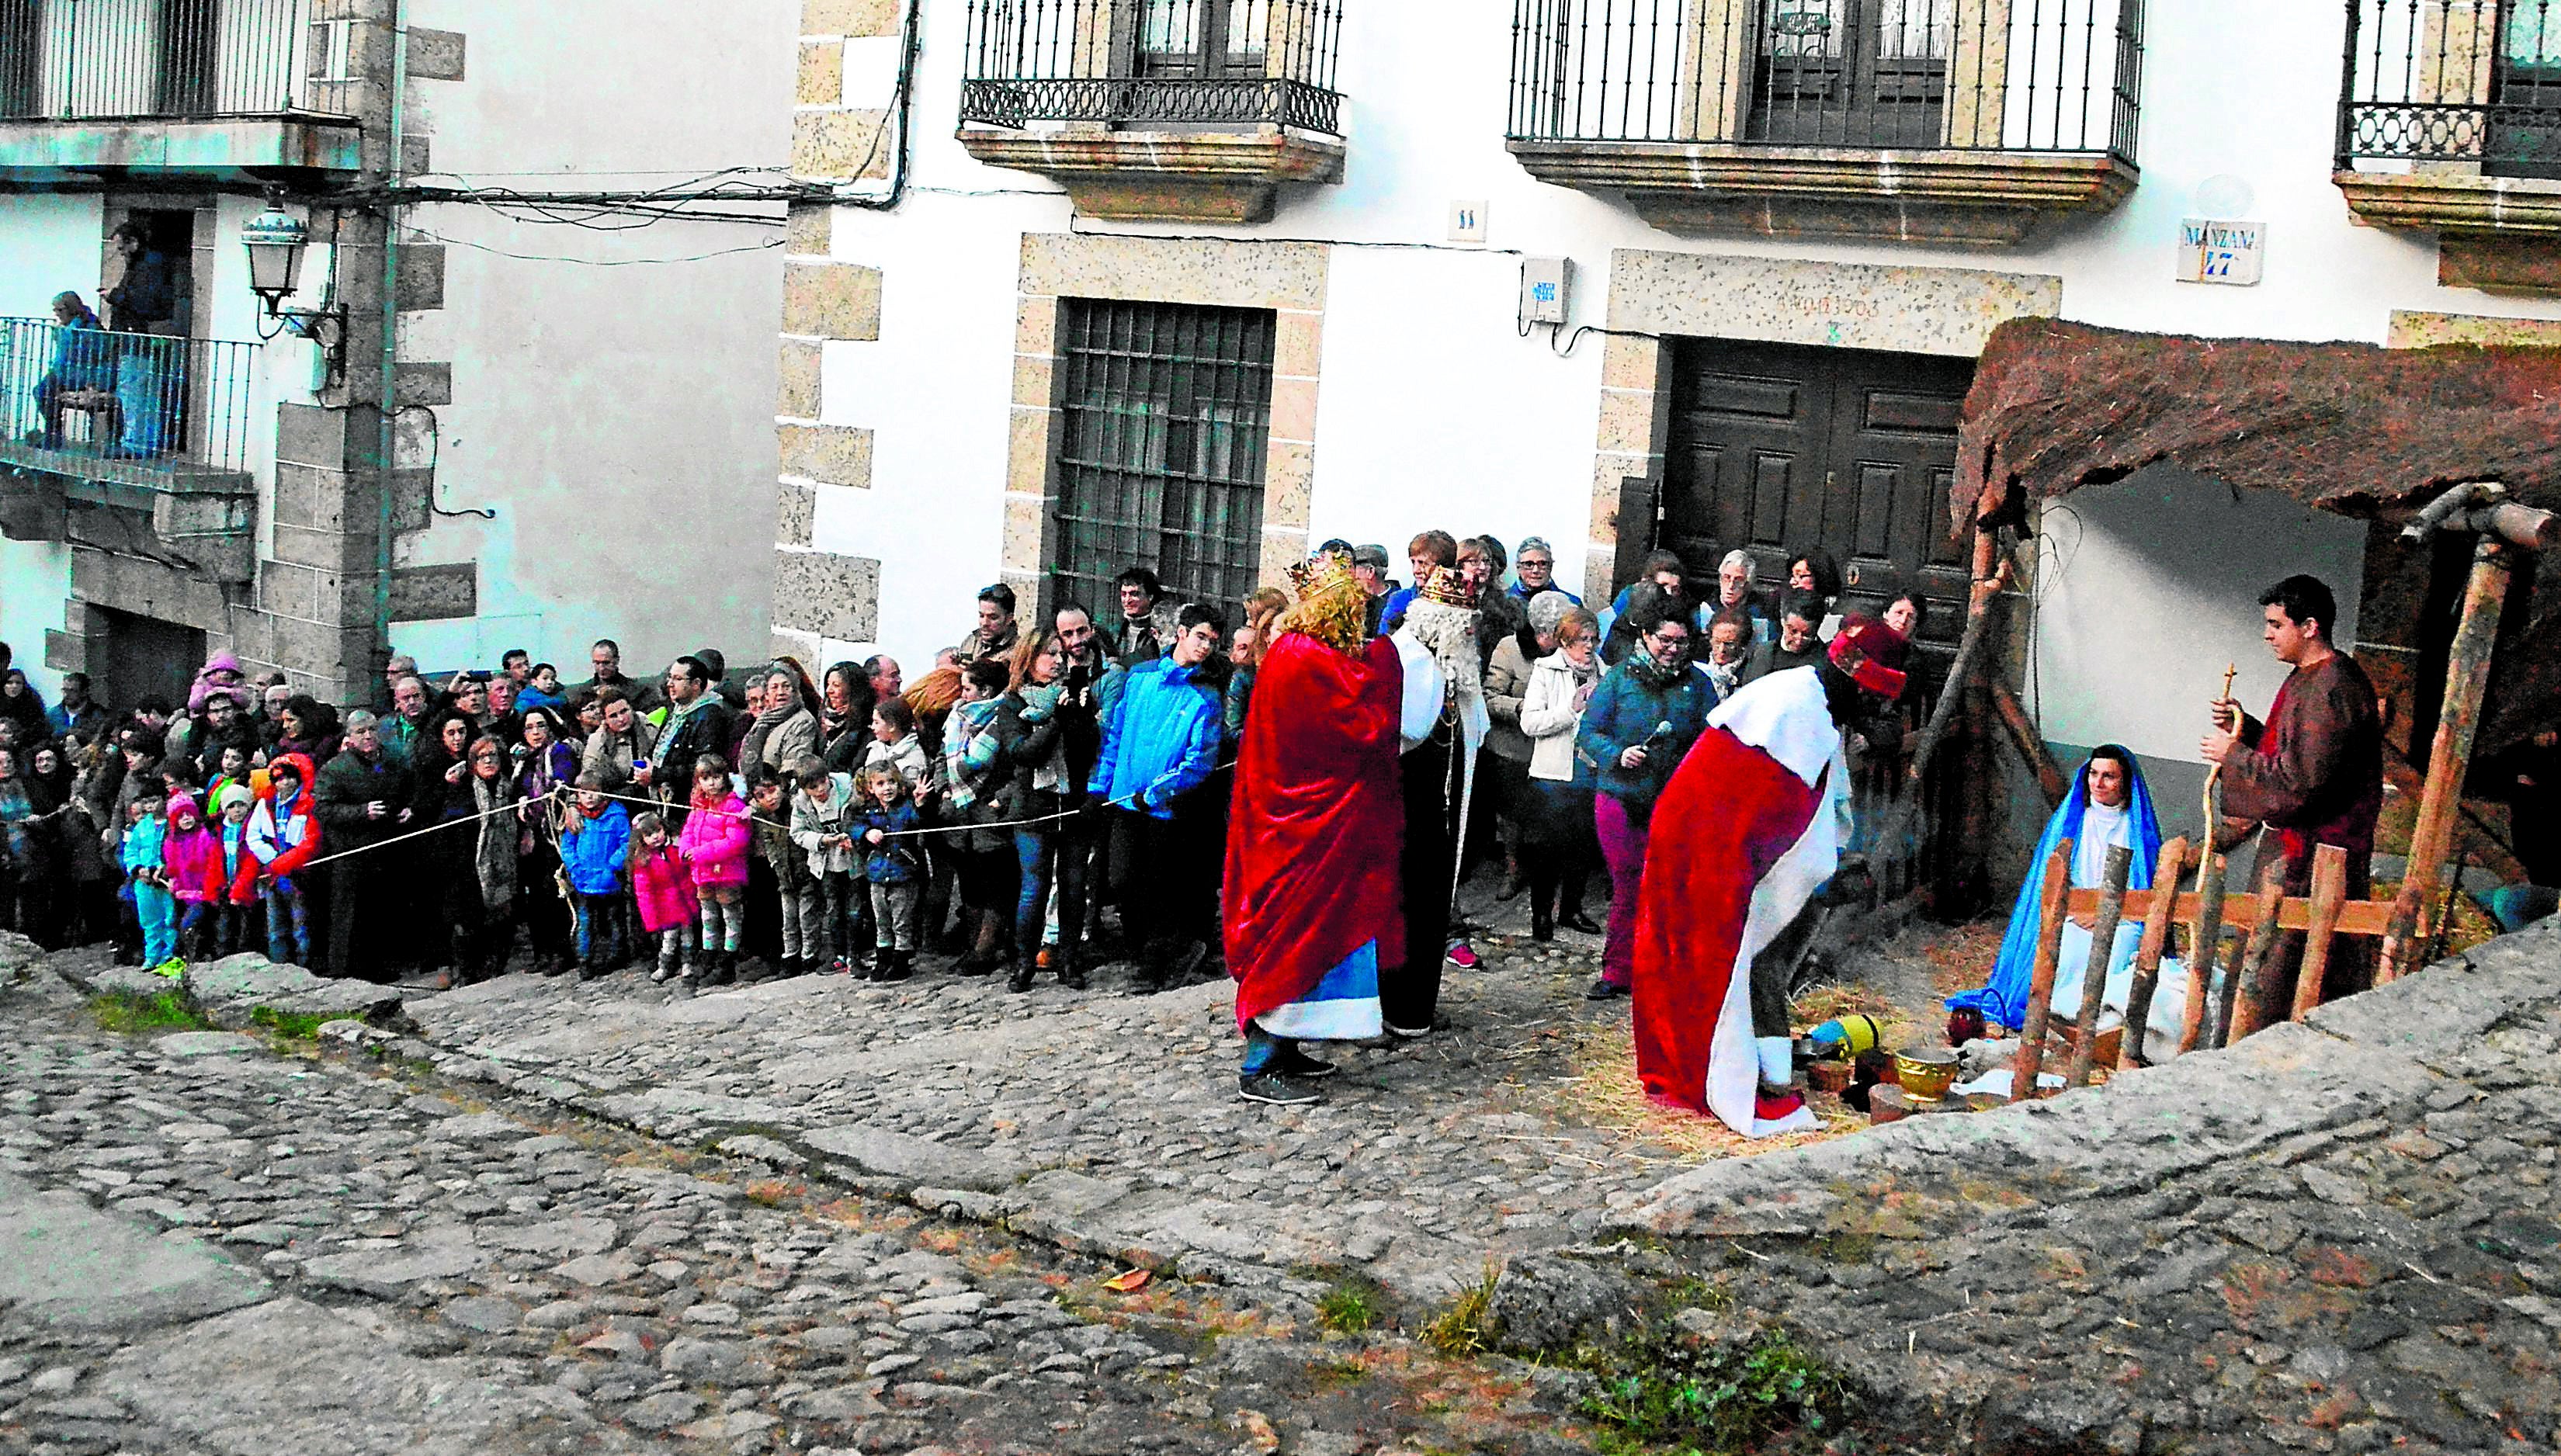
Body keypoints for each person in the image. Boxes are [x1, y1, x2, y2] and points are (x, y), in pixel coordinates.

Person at [1631, 616, 1911, 1137]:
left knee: (1743, 958)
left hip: (1722, 847)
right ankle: (1707, 1073)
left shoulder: (1813, 705)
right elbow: (1750, 806)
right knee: (1711, 960)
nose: (1874, 716)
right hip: (1704, 848)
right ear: (1858, 683)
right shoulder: (1790, 705)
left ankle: (1758, 1063)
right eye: (1873, 702)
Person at [1226, 554, 1407, 1106]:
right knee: (1296, 937)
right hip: (1305, 826)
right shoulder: (1313, 662)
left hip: (1295, 821)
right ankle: (1260, 1064)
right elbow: (1368, 724)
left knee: (1311, 935)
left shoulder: (1289, 652)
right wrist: (1387, 658)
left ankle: (1287, 1047)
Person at [2202, 574, 2385, 1017]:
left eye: (2276, 625)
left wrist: (2235, 755)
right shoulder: (2309, 678)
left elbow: (2303, 784)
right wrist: (2242, 730)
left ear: (2310, 627)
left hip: (2313, 857)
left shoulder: (2331, 687)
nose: (2267, 635)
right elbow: (2295, 754)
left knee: (2285, 972)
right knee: (2265, 960)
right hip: (2297, 847)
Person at [1946, 747, 2202, 1058]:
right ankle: (2060, 1017)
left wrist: (2110, 916)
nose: (2099, 783)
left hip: (2124, 920)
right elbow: (2053, 882)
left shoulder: (2137, 829)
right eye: (2094, 774)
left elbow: (2144, 890)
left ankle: (2101, 1023)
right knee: (2067, 950)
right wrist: (2081, 911)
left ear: (2125, 783)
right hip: (2075, 915)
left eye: (2109, 776)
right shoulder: (2072, 822)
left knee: (2119, 950)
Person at [1577, 600, 1718, 1000]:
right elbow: (1589, 732)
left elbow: (1712, 737)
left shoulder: (1698, 685)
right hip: (1621, 796)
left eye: (1681, 642)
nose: (1672, 649)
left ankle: (1662, 970)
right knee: (1629, 884)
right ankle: (1618, 969)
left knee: (1669, 886)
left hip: (1674, 800)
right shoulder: (1620, 679)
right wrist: (1618, 754)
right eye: (1664, 640)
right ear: (1644, 637)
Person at [1091, 603, 1227, 992]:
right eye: (1200, 637)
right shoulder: (1140, 679)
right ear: (1181, 633)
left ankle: (1154, 960)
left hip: (1163, 809)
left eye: (1212, 642)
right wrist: (1100, 788)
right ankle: (1146, 951)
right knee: (1120, 882)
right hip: (1123, 801)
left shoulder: (1206, 697)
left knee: (1158, 886)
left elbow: (1200, 759)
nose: (1205, 647)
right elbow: (1115, 736)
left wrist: (1156, 793)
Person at [1383, 567, 1487, 1035]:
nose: (1466, 633)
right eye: (1458, 623)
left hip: (1440, 817)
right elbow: (1404, 729)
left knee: (1431, 906)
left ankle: (1418, 1006)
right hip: (1403, 810)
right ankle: (1392, 1004)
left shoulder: (1457, 670)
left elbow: (1474, 726)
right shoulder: (1402, 660)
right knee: (1400, 904)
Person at [994, 626, 1087, 992]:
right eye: (1049, 654)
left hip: (1073, 803)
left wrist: (1077, 714)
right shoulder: (1014, 704)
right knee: (1034, 887)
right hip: (1034, 807)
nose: (1057, 661)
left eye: (1060, 655)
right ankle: (1023, 963)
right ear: (1030, 660)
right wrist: (1055, 723)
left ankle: (1068, 960)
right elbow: (1023, 753)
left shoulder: (1074, 697)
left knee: (1073, 886)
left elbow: (1087, 749)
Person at [1518, 604, 1605, 943]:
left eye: (1593, 639)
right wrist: (1570, 711)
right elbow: (1530, 723)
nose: (1588, 646)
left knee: (1582, 847)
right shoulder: (1546, 670)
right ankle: (1541, 913)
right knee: (1548, 849)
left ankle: (1571, 908)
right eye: (1581, 640)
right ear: (1565, 643)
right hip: (1553, 775)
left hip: (1589, 771)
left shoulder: (1606, 673)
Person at [317, 711, 411, 982]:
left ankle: (379, 967)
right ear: (350, 737)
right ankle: (343, 971)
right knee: (349, 915)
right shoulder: (336, 768)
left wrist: (408, 809)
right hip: (351, 851)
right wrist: (361, 812)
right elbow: (324, 809)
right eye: (361, 732)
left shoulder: (393, 761)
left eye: (372, 729)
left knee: (381, 912)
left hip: (386, 849)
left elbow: (407, 791)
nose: (368, 736)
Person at [941, 659, 1019, 973]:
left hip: (991, 816)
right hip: (960, 815)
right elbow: (941, 757)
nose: (961, 694)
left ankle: (986, 949)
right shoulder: (956, 718)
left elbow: (1018, 766)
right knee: (970, 884)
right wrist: (945, 789)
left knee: (997, 885)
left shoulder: (1006, 718)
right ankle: (974, 945)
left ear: (986, 690)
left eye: (967, 688)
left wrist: (1001, 799)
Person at [514, 707, 580, 974]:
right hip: (532, 833)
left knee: (555, 892)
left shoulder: (559, 751)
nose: (535, 732)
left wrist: (555, 789)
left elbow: (564, 778)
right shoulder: (523, 760)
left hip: (555, 831)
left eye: (540, 726)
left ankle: (562, 953)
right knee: (535, 897)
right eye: (529, 728)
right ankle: (543, 951)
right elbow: (519, 789)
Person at [678, 754, 751, 986]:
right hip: (703, 873)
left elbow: (735, 842)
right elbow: (688, 832)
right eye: (705, 778)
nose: (711, 783)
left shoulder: (734, 806)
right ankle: (708, 954)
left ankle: (727, 959)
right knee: (708, 916)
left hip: (726, 872)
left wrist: (701, 853)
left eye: (716, 777)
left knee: (730, 916)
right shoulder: (699, 807)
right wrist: (686, 850)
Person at [789, 751, 864, 976]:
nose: (821, 790)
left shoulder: (847, 790)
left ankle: (856, 955)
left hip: (853, 862)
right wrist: (821, 841)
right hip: (825, 864)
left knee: (855, 909)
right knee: (833, 910)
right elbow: (798, 833)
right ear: (805, 789)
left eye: (823, 783)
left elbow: (861, 816)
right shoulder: (802, 803)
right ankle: (838, 955)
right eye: (813, 788)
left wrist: (855, 836)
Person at [456, 733, 521, 982]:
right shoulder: (464, 790)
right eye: (481, 757)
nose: (488, 761)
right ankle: (469, 970)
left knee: (503, 913)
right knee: (470, 919)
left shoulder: (510, 787)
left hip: (506, 860)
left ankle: (498, 963)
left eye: (493, 755)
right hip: (472, 862)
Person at [247, 752, 321, 966]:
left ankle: (305, 966)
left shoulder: (308, 804)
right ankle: (279, 966)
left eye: (289, 777)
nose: (284, 782)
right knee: (275, 926)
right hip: (272, 875)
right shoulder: (265, 805)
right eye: (279, 779)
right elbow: (253, 836)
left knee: (301, 926)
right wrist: (271, 861)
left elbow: (311, 842)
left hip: (299, 875)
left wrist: (285, 863)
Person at [559, 771, 633, 978]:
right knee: (585, 922)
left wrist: (612, 867)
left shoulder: (616, 816)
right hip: (584, 881)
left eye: (594, 792)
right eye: (584, 793)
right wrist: (575, 868)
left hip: (610, 880)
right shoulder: (577, 817)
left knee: (614, 919)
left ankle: (617, 955)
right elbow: (568, 846)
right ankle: (584, 959)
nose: (589, 797)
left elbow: (626, 843)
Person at [856, 763, 925, 982]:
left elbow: (918, 821)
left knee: (902, 921)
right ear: (871, 788)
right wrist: (866, 833)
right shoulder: (868, 810)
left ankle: (901, 960)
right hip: (877, 875)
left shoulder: (906, 807)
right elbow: (852, 824)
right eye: (881, 784)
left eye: (891, 782)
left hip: (902, 874)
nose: (887, 788)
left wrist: (921, 805)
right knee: (881, 920)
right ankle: (883, 958)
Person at [750, 767, 817, 977]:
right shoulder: (763, 817)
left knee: (807, 918)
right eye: (761, 795)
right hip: (784, 876)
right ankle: (791, 956)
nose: (769, 798)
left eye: (772, 791)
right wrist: (776, 865)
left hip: (804, 871)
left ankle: (809, 956)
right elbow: (769, 845)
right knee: (789, 920)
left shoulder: (796, 808)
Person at [654, 657, 735, 826]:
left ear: (696, 684)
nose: (670, 683)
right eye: (670, 677)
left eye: (677, 679)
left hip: (690, 805)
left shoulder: (710, 716)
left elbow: (703, 767)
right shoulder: (676, 711)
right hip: (666, 799)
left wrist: (656, 775)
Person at [629, 810, 699, 990]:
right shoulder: (643, 862)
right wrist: (651, 919)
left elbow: (687, 876)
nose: (655, 837)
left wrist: (693, 900)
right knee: (669, 939)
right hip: (664, 908)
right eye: (649, 835)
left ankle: (688, 964)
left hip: (684, 902)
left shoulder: (677, 849)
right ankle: (665, 966)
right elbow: (644, 893)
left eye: (657, 831)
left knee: (687, 937)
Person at [33, 292, 112, 448]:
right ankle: (53, 434)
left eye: (60, 310)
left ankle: (53, 436)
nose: (56, 314)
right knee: (41, 391)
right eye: (55, 310)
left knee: (46, 392)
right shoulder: (69, 326)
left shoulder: (89, 326)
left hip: (83, 375)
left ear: (71, 308)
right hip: (64, 373)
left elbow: (92, 354)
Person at [122, 783, 178, 972]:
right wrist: (137, 869)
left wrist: (163, 870)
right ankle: (152, 955)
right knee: (149, 921)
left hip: (165, 880)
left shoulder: (173, 824)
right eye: (146, 802)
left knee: (170, 919)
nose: (150, 806)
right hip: (144, 882)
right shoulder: (142, 826)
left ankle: (169, 954)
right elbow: (130, 851)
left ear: (165, 799)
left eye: (154, 801)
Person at [742, 662, 822, 778]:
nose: (781, 692)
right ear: (767, 694)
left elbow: (793, 767)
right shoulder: (765, 720)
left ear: (794, 691)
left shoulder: (803, 722)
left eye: (786, 687)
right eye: (774, 687)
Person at [1379, 531, 1459, 636]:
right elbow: (1383, 641)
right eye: (1413, 562)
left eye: (1422, 563)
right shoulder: (1400, 600)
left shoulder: (1464, 604)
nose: (1415, 570)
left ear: (1443, 567)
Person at [581, 686, 658, 792]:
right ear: (605, 720)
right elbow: (589, 777)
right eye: (613, 716)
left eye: (624, 711)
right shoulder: (597, 741)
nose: (621, 719)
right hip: (615, 794)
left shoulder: (646, 726)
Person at [104, 222, 175, 333]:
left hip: (142, 331)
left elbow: (143, 301)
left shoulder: (151, 264)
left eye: (122, 248)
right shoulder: (137, 264)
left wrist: (113, 295)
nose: (121, 253)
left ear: (134, 242)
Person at [1105, 568, 1178, 665]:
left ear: (1150, 597)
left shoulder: (1162, 632)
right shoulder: (1115, 631)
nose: (1127, 600)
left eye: (1134, 594)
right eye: (1123, 594)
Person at [1712, 550, 1775, 644]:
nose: (1731, 585)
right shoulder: (1704, 610)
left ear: (1748, 584)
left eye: (1738, 580)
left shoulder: (1761, 615)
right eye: (1727, 577)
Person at [1509, 536, 1581, 607]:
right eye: (1529, 564)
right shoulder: (1503, 605)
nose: (1536, 570)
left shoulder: (1571, 605)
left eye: (1543, 564)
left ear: (1550, 567)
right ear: (1518, 567)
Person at [1699, 608, 1753, 701]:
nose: (1722, 649)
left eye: (1729, 644)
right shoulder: (1698, 667)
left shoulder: (1752, 671)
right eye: (1716, 642)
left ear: (1742, 644)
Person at [963, 584, 1022, 665]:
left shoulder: (1019, 652)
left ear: (1009, 618)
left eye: (993, 618)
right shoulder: (971, 641)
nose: (984, 623)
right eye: (981, 616)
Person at [1352, 544, 1399, 638]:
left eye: (1353, 568)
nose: (1350, 575)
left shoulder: (1399, 607)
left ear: (1370, 572)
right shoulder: (1353, 604)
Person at [47, 671, 107, 745]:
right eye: (64, 690)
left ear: (84, 692)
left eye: (72, 691)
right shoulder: (53, 714)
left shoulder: (98, 716)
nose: (66, 695)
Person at [0, 667, 47, 740]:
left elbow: (39, 729)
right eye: (9, 682)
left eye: (18, 683)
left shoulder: (32, 702)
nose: (14, 686)